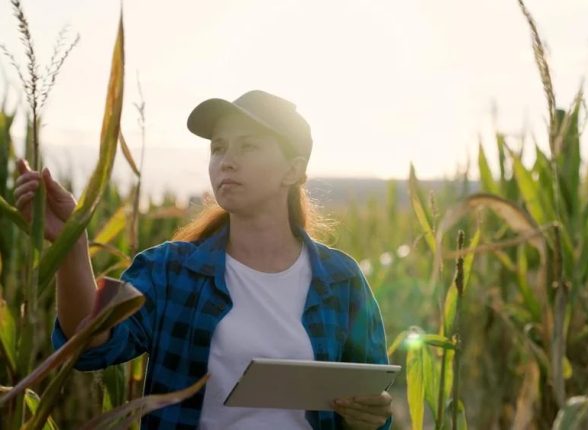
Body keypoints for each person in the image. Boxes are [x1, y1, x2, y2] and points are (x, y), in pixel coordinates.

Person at [12, 90, 393, 430]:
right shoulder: (169, 270)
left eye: (248, 146)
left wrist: (370, 418)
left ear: (292, 170)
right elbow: (90, 344)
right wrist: (71, 242)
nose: (226, 161)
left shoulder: (341, 279)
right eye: (218, 148)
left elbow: (373, 402)